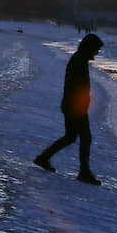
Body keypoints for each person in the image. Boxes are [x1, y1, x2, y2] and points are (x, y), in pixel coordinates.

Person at [34, 33, 104, 185]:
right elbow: (75, 85)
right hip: (74, 106)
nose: (97, 53)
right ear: (89, 47)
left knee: (71, 136)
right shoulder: (79, 60)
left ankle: (43, 158)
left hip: (72, 104)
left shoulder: (80, 59)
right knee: (84, 137)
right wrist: (80, 104)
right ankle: (84, 172)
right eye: (96, 49)